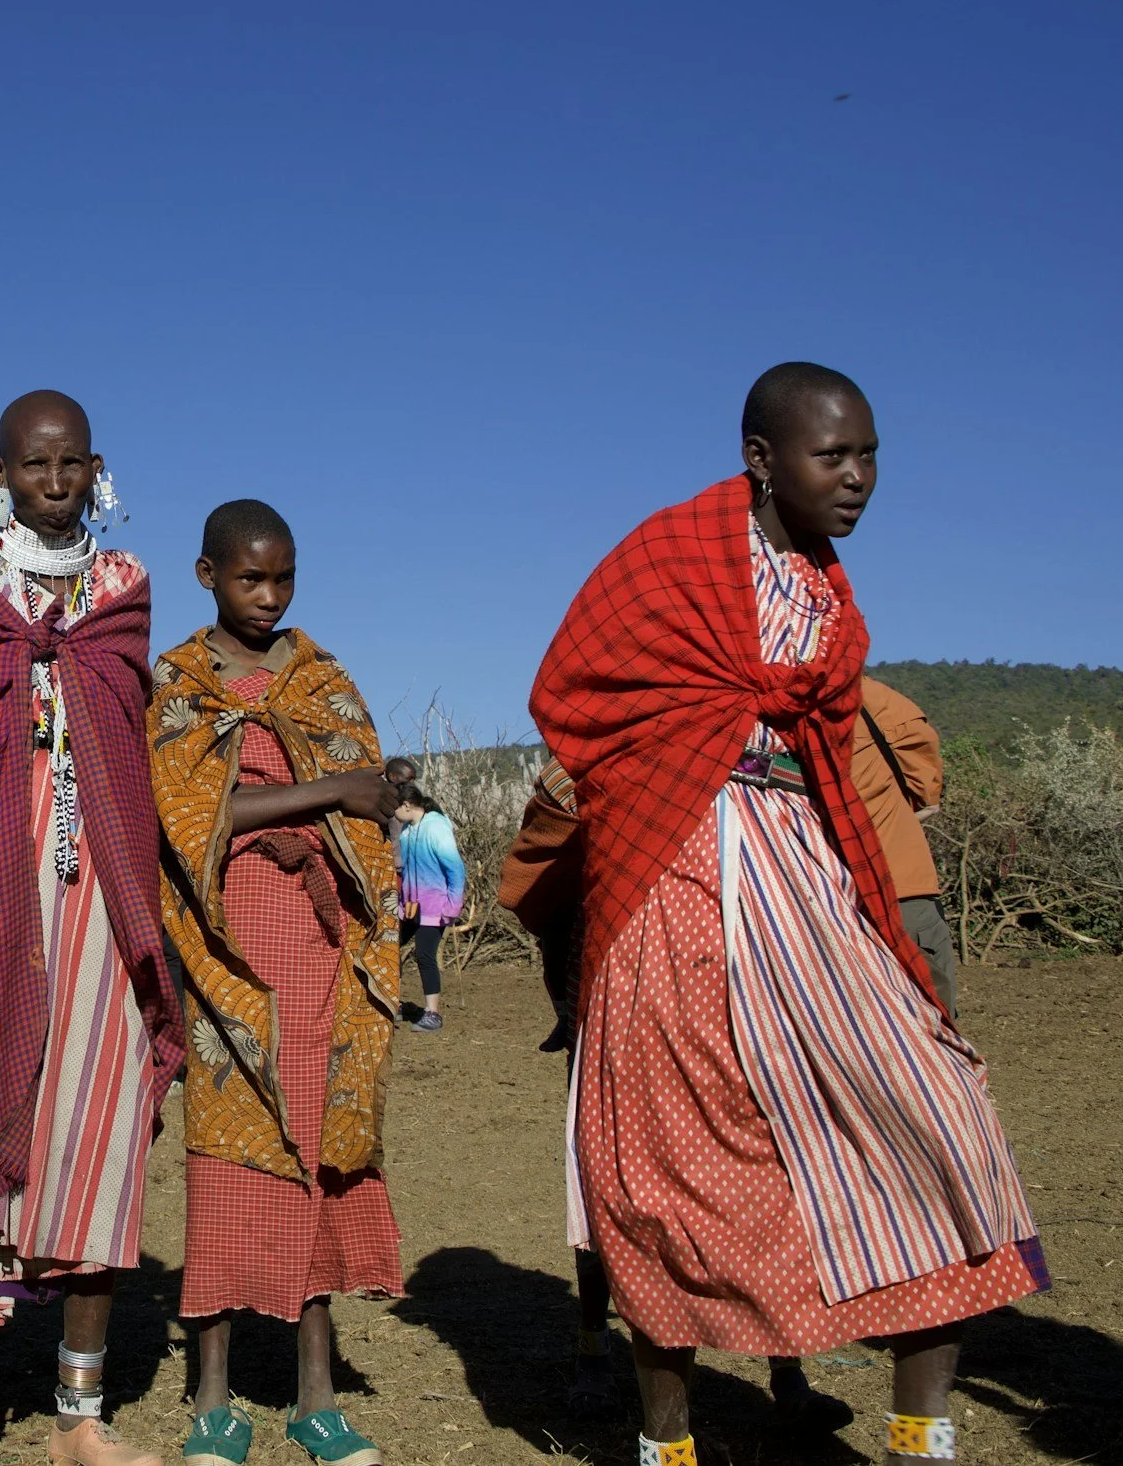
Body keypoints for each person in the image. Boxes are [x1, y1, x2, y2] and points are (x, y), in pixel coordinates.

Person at [530, 361, 1044, 1466]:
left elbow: (826, 735)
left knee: (932, 1110)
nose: (857, 477)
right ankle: (664, 1443)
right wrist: (702, 750)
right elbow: (574, 690)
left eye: (868, 456)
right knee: (668, 1162)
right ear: (761, 458)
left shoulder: (825, 587)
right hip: (675, 878)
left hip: (806, 879)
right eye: (833, 455)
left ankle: (923, 1437)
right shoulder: (668, 556)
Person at [0, 390, 182, 1466]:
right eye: (32, 463)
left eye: (69, 463)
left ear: (94, 467)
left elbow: (121, 732)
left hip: (97, 892)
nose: (51, 480)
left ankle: (79, 1418)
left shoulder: (123, 588)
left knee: (96, 1136)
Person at [149, 499, 404, 1466]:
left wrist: (332, 805)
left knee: (316, 1145)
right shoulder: (177, 685)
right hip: (223, 955)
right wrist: (328, 793)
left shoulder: (321, 679)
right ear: (207, 573)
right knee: (224, 1152)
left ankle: (315, 1395)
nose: (269, 596)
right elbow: (187, 812)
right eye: (250, 578)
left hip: (315, 945)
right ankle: (213, 1395)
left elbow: (371, 791)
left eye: (284, 577)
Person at [498, 757, 853, 1434]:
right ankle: (594, 1350)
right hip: (622, 985)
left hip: (753, 983)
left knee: (768, 1170)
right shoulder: (597, 755)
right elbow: (540, 869)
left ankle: (787, 1366)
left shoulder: (765, 742)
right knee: (616, 1177)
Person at [855, 676, 958, 1011]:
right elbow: (928, 796)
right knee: (934, 1027)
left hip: (811, 899)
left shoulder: (763, 709)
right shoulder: (876, 701)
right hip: (903, 890)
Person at [388, 785, 463, 1032]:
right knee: (389, 946)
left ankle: (433, 1013)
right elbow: (408, 871)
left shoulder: (436, 826)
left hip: (435, 905)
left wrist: (452, 906)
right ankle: (392, 1003)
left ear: (407, 805)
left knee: (424, 955)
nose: (393, 813)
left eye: (395, 808)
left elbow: (455, 869)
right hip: (410, 907)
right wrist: (401, 903)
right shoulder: (409, 831)